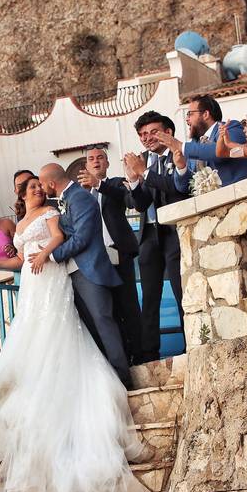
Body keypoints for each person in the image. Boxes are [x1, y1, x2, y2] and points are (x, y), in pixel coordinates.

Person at [0, 176, 146, 492]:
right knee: (34, 330)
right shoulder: (21, 223)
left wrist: (45, 255)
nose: (38, 191)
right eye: (32, 189)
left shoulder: (51, 211)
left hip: (54, 272)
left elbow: (58, 237)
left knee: (65, 326)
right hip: (32, 281)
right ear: (21, 196)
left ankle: (113, 371)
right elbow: (21, 258)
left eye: (40, 187)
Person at [38, 163, 133, 389]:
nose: (41, 188)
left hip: (89, 270)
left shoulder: (79, 198)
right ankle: (107, 379)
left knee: (104, 322)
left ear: (52, 183)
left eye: (42, 183)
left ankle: (123, 379)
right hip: (73, 273)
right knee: (90, 328)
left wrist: (51, 255)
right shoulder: (64, 199)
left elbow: (82, 238)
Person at [123, 111, 190, 362]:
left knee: (181, 290)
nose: (147, 138)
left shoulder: (179, 154)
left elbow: (177, 189)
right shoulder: (141, 160)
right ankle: (149, 353)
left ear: (167, 132)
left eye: (152, 132)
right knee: (150, 297)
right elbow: (138, 203)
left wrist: (146, 173)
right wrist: (133, 181)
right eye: (142, 134)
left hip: (173, 232)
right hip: (149, 235)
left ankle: (190, 344)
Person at [77, 146, 146, 365]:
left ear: (106, 163)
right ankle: (120, 359)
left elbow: (127, 200)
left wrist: (99, 185)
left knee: (129, 307)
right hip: (95, 262)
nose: (96, 161)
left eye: (100, 158)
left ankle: (142, 357)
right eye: (91, 159)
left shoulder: (114, 184)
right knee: (107, 312)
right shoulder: (79, 195)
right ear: (86, 165)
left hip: (119, 255)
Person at [160, 94, 247, 192]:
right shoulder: (195, 145)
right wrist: (181, 167)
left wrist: (180, 146)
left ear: (205, 114)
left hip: (240, 196)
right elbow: (183, 188)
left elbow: (221, 152)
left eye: (190, 114)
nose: (187, 119)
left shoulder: (229, 128)